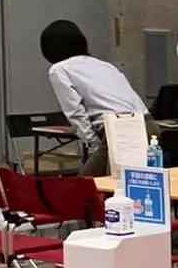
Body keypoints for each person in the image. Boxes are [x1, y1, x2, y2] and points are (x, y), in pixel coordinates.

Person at [42, 21, 144, 177]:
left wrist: (94, 145)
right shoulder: (105, 66)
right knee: (134, 184)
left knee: (87, 187)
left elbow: (75, 112)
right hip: (146, 123)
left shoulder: (59, 69)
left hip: (118, 130)